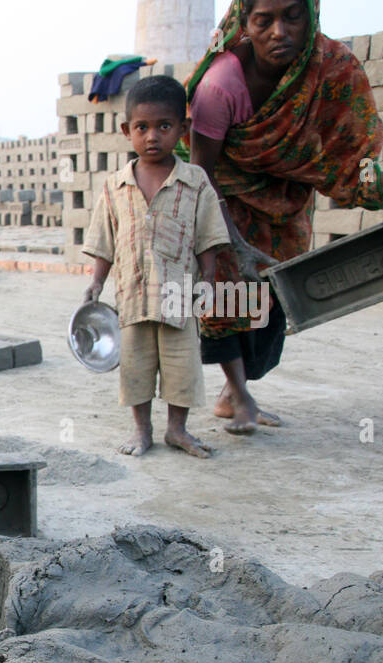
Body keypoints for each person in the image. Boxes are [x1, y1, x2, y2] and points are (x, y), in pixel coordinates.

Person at [184, 0, 383, 433]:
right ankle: (239, 397)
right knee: (227, 300)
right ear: (244, 23)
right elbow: (200, 175)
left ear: (311, 15)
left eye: (292, 16)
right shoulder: (220, 86)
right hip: (224, 202)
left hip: (288, 204)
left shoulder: (333, 69)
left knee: (279, 299)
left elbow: (352, 154)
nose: (279, 31)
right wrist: (232, 241)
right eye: (264, 20)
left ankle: (235, 393)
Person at [84, 75, 230, 458]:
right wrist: (96, 284)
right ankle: (141, 429)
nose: (152, 137)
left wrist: (209, 280)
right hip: (132, 299)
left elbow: (208, 237)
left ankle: (177, 430)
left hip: (179, 299)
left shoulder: (195, 181)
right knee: (136, 369)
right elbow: (105, 241)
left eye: (164, 126)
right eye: (142, 127)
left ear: (183, 129)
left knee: (181, 369)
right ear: (126, 131)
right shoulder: (114, 185)